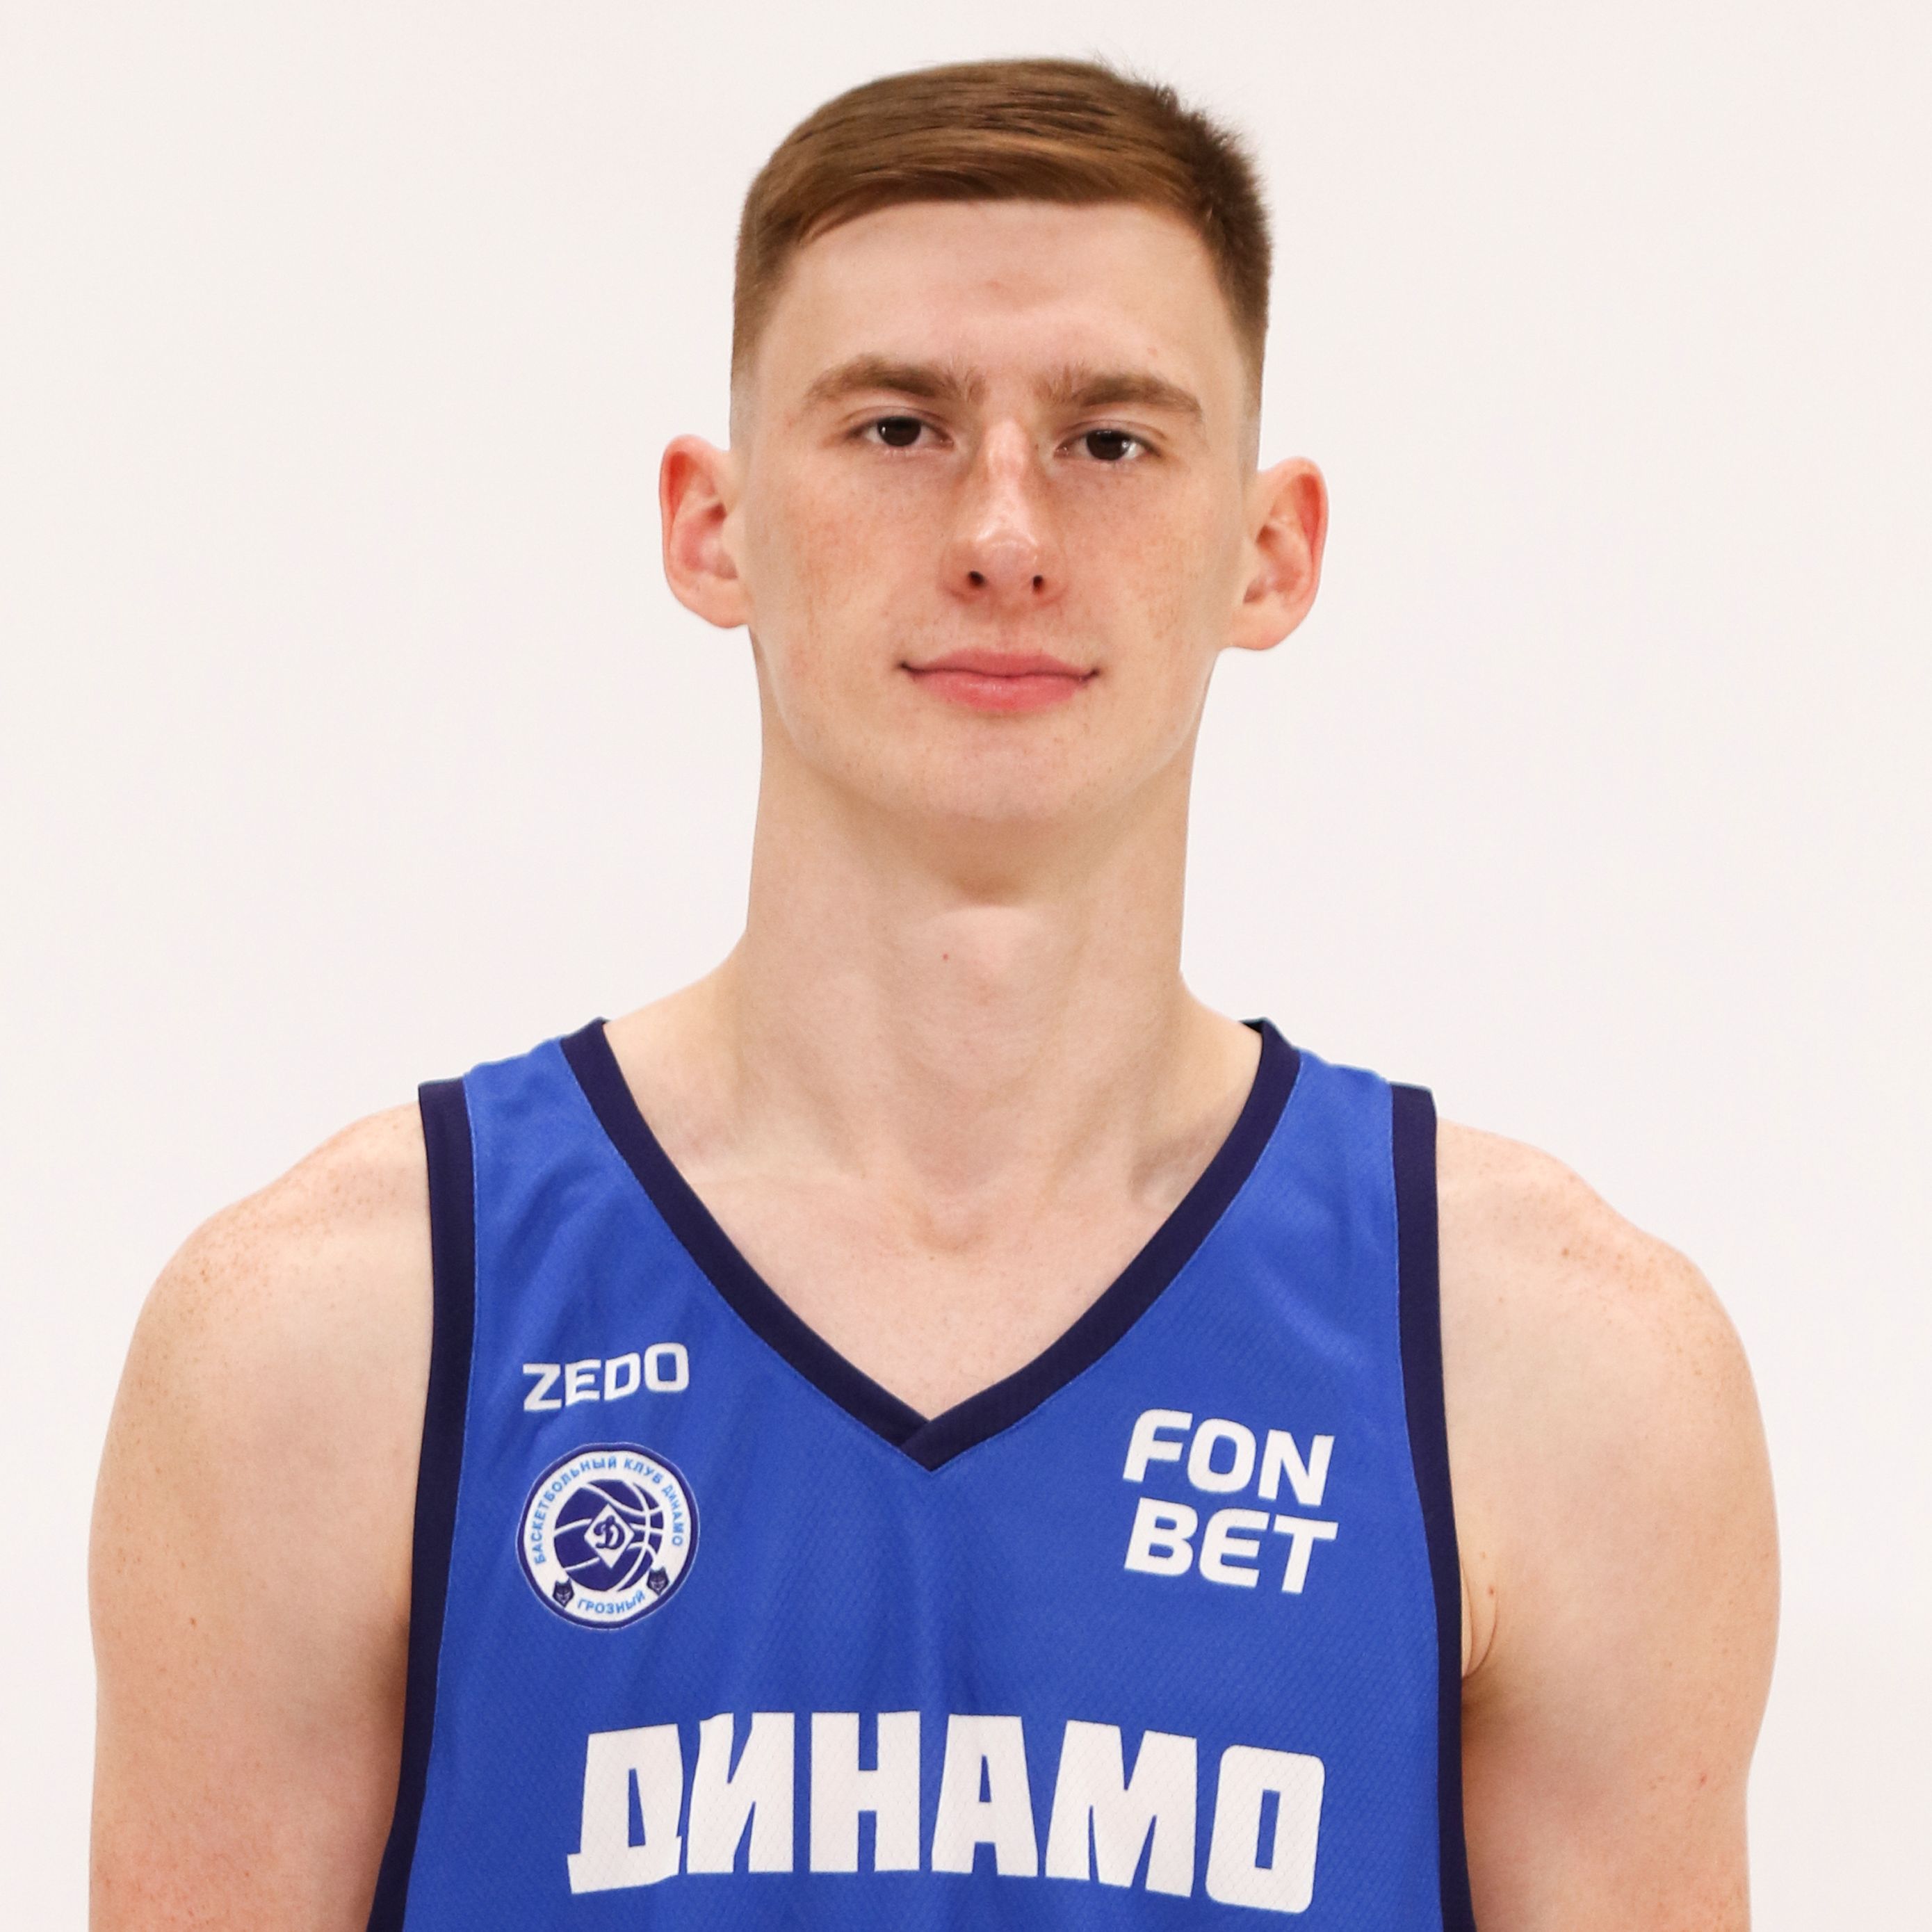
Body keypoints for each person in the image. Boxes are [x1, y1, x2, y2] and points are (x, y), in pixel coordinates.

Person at [89, 57, 1778, 1931]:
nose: (1002, 533)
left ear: (1270, 549)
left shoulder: (1556, 1367)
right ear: (712, 524)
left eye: (1110, 440)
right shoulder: (334, 1337)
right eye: (897, 427)